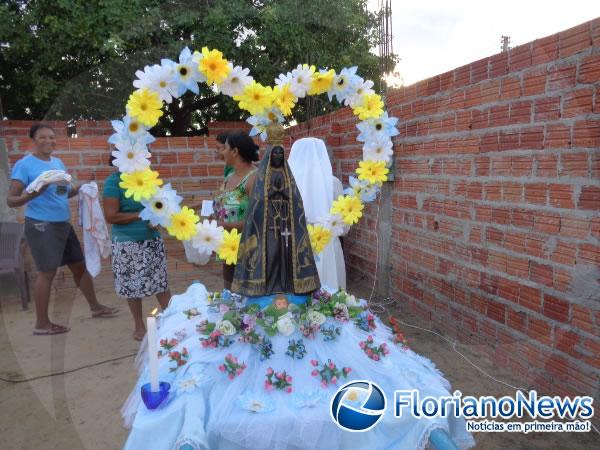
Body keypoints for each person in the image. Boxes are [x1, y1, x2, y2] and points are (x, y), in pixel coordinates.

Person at [121, 146, 474, 450]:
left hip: (289, 242)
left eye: (279, 168)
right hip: (267, 244)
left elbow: (295, 213)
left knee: (288, 272)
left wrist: (284, 211)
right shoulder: (260, 190)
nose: (275, 176)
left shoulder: (292, 193)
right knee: (267, 271)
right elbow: (255, 215)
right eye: (271, 169)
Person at [7, 123, 118, 335]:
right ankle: (41, 324)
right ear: (33, 140)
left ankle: (95, 307)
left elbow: (62, 193)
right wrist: (32, 195)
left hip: (62, 224)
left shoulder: (57, 163)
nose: (49, 141)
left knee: (79, 266)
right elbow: (11, 200)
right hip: (41, 225)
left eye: (51, 137)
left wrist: (82, 187)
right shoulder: (25, 165)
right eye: (43, 137)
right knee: (47, 273)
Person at [232, 145, 321, 296]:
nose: (279, 156)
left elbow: (295, 197)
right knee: (271, 253)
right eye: (276, 153)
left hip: (286, 223)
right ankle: (269, 286)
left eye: (281, 153)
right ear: (270, 156)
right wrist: (274, 192)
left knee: (286, 254)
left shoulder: (287, 174)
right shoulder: (264, 175)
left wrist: (285, 193)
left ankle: (287, 285)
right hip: (269, 224)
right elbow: (258, 199)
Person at [103, 156, 171, 341]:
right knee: (132, 287)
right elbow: (110, 216)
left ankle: (172, 321)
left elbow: (159, 205)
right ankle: (139, 325)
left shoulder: (149, 178)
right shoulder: (114, 181)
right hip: (127, 244)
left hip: (152, 239)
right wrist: (142, 215)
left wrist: (157, 218)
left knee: (161, 283)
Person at [288, 137, 347, 290]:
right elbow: (344, 227)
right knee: (331, 298)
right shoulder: (333, 183)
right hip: (327, 247)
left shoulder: (286, 183)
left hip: (293, 244)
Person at [212, 131, 259, 290]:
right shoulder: (229, 176)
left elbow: (257, 220)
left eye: (224, 148)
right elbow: (221, 204)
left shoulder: (255, 178)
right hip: (228, 250)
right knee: (230, 296)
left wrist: (221, 225)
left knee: (247, 300)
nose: (221, 152)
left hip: (249, 252)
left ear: (235, 151)